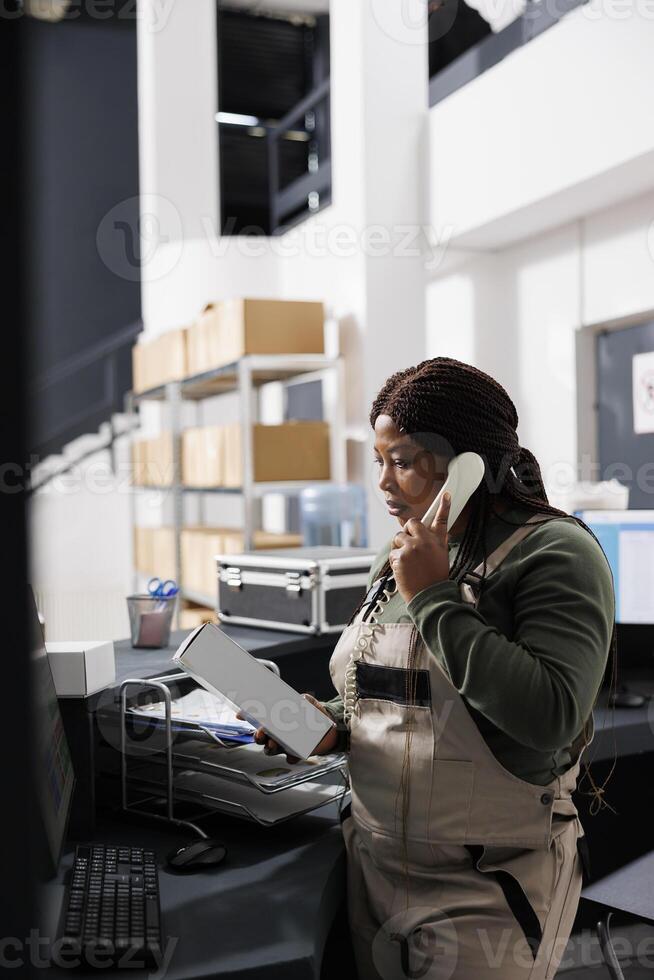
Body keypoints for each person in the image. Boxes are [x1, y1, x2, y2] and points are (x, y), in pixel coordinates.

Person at [247, 357, 616, 980]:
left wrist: (432, 597)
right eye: (379, 461)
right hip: (374, 865)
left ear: (467, 465)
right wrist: (330, 722)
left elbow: (550, 714)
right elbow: (398, 693)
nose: (386, 483)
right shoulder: (401, 556)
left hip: (488, 885)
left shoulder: (556, 552)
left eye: (405, 461)